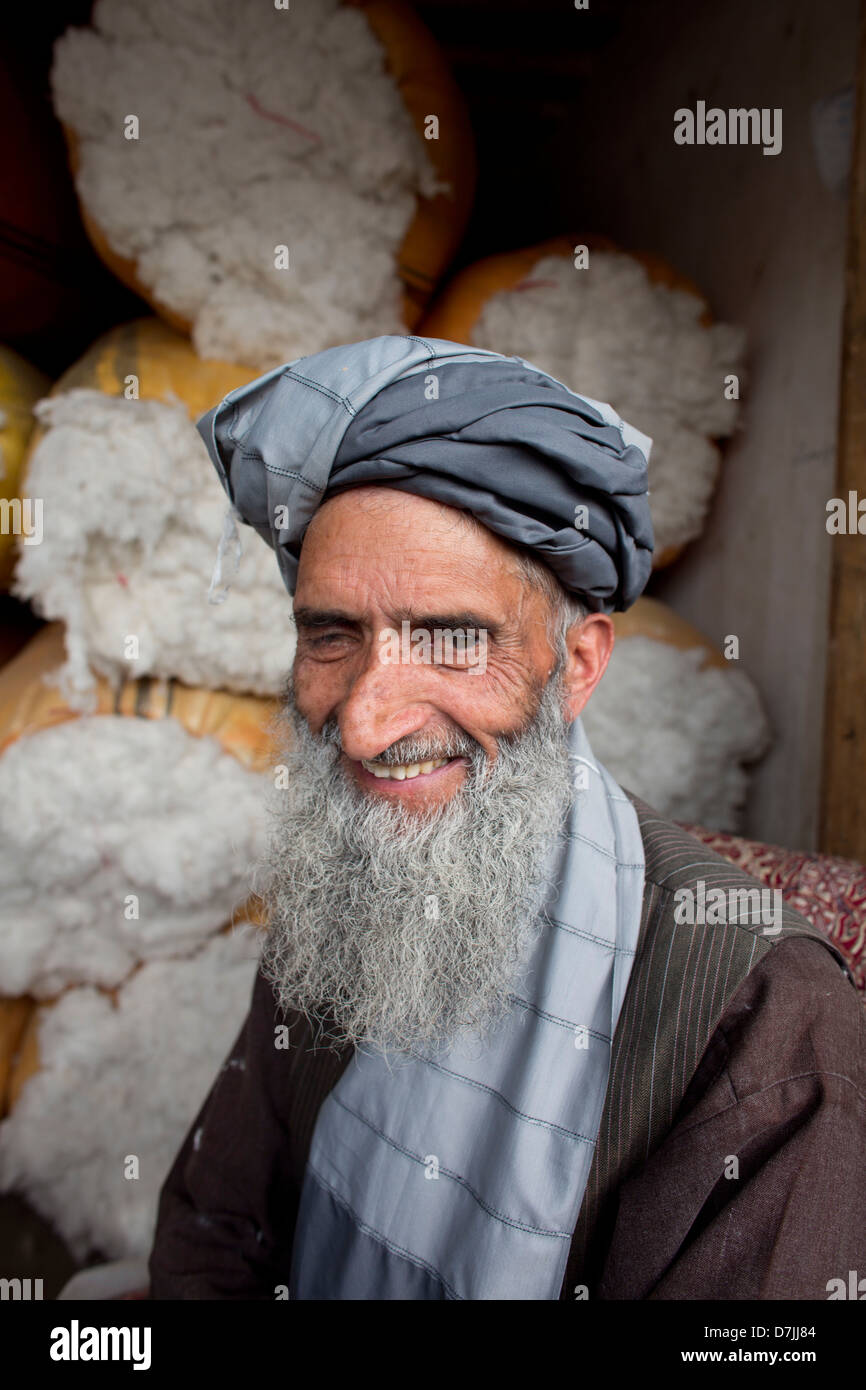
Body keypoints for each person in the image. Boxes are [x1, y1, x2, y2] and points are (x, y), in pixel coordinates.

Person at [149, 335, 865, 1300]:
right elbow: (216, 1226)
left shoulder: (772, 1024)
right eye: (332, 634)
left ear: (575, 667)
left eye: (451, 640)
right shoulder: (350, 875)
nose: (365, 722)